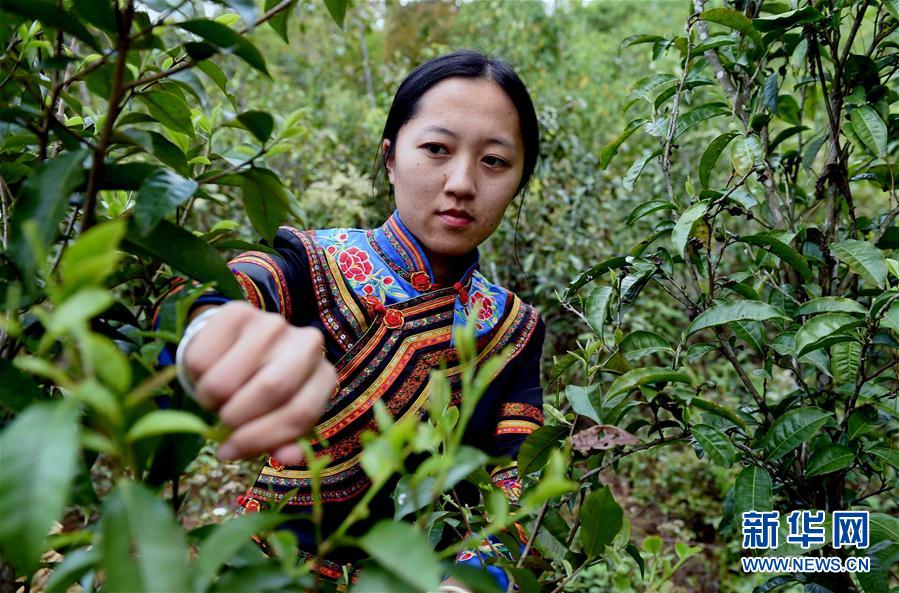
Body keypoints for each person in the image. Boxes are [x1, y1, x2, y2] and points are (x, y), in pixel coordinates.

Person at [164, 49, 545, 591]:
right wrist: (206, 330)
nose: (462, 182)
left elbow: (516, 476)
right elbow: (239, 286)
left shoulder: (513, 328)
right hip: (271, 571)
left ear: (520, 179)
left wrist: (472, 580)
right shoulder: (315, 259)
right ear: (390, 158)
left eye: (495, 161)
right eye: (436, 149)